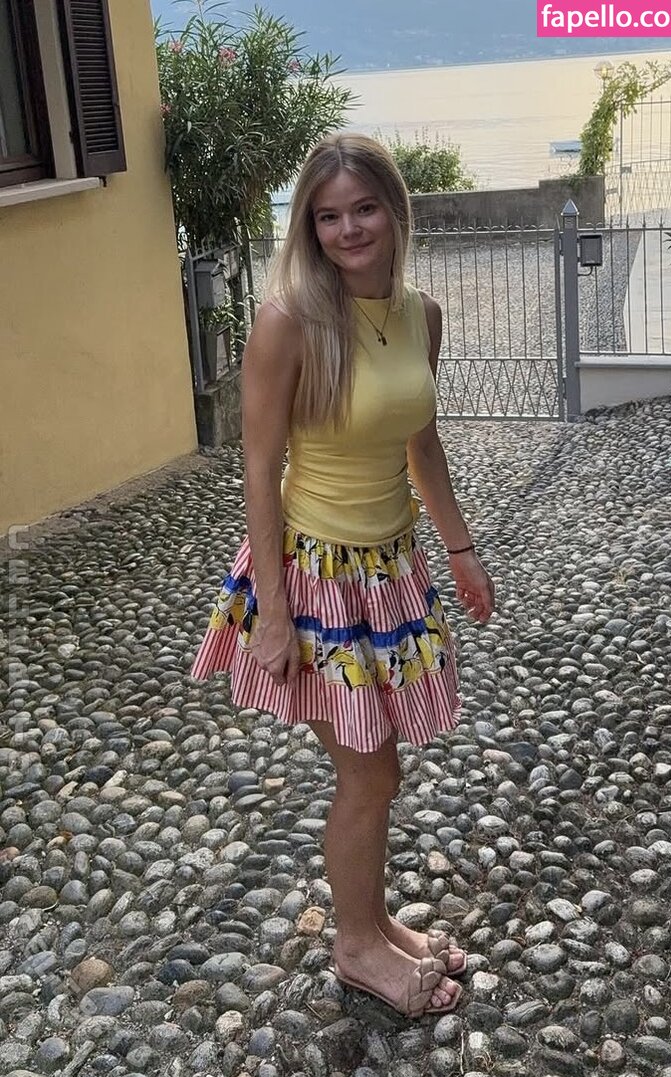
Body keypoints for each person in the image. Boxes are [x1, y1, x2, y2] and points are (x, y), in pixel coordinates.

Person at [191, 132, 495, 1018]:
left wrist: (460, 548)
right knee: (368, 775)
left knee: (379, 769)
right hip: (316, 575)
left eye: (364, 209)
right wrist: (273, 613)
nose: (348, 229)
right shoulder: (288, 321)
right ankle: (357, 947)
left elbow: (420, 441)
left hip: (391, 569)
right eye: (328, 217)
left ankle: (374, 922)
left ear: (395, 210)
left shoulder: (420, 314)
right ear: (309, 228)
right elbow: (258, 469)